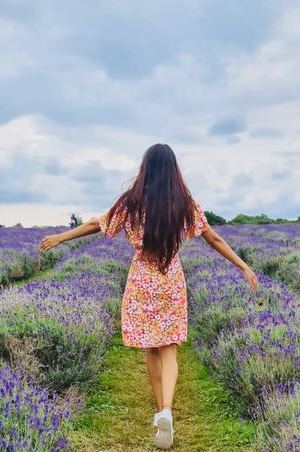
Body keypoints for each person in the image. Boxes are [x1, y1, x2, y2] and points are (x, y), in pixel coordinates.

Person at [39, 143, 259, 450]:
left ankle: (160, 414)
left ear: (145, 168)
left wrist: (61, 237)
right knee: (169, 348)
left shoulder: (133, 200)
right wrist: (243, 266)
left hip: (142, 280)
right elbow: (213, 238)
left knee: (151, 349)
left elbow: (95, 224)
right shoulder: (183, 201)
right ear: (173, 170)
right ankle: (166, 410)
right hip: (170, 279)